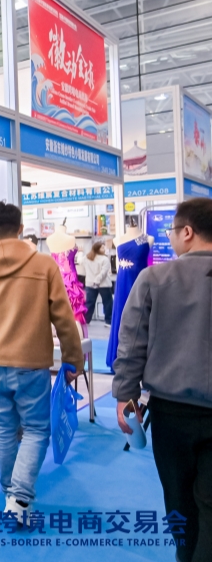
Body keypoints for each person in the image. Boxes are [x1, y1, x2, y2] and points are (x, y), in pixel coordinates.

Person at [0, 201, 81, 522]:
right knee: (37, 429)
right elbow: (64, 318)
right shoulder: (43, 265)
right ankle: (20, 496)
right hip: (32, 363)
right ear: (20, 228)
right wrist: (73, 359)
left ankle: (9, 493)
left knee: (2, 427)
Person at [113, 198, 212, 562]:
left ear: (187, 232)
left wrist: (126, 395)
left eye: (172, 232)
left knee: (178, 499)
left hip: (171, 413)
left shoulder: (154, 279)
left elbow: (132, 342)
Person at [83, 241, 113, 326]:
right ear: (97, 249)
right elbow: (104, 272)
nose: (104, 249)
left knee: (89, 303)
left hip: (90, 283)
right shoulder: (105, 259)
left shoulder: (87, 258)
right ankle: (108, 321)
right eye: (102, 247)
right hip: (104, 284)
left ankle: (86, 321)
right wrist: (97, 281)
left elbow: (80, 262)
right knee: (107, 303)